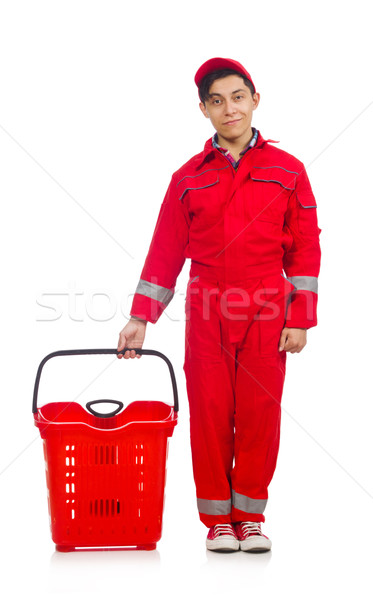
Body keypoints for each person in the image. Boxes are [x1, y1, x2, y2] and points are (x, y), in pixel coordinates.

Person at [117, 57, 321, 553]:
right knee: (210, 412)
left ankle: (249, 516)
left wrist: (300, 317)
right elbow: (165, 250)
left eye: (236, 96)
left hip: (267, 306)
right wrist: (140, 317)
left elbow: (305, 247)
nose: (228, 108)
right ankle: (217, 523)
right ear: (204, 110)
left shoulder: (288, 170)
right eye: (216, 101)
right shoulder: (188, 177)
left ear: (254, 99)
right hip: (208, 305)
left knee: (258, 412)